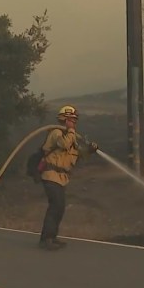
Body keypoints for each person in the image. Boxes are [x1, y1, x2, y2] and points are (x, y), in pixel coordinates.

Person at [37, 105, 98, 250]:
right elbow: (63, 144)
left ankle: (52, 237)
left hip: (61, 178)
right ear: (64, 119)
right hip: (51, 175)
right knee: (56, 206)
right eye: (71, 120)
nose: (74, 123)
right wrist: (71, 131)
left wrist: (90, 150)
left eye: (75, 120)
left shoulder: (72, 138)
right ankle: (46, 239)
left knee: (60, 208)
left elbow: (79, 155)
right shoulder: (56, 133)